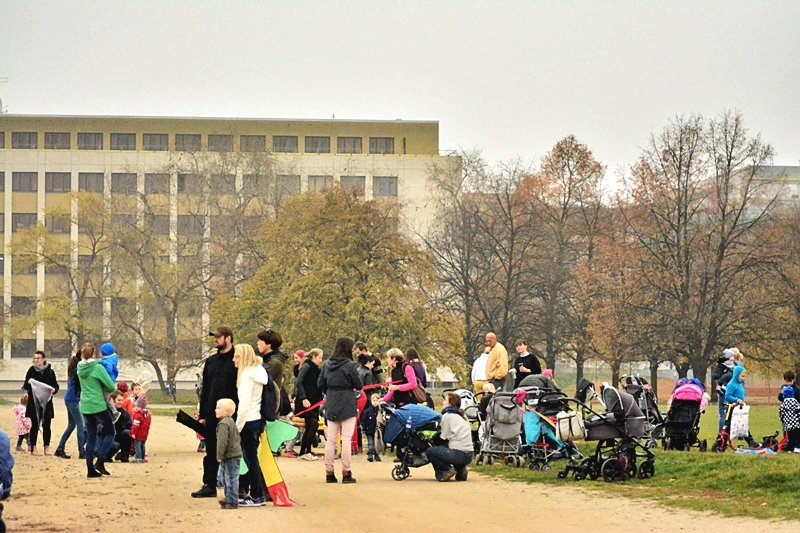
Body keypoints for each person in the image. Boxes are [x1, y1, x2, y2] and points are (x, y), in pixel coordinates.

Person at [193, 326, 238, 498]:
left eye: (218, 337)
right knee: (211, 450)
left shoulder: (236, 359)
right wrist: (203, 414)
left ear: (228, 338)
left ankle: (237, 487)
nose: (215, 340)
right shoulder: (211, 362)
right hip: (212, 413)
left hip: (232, 414)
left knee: (233, 450)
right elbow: (205, 390)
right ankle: (209, 484)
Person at [318, 337, 363, 484]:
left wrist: (330, 392)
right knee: (346, 439)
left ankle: (329, 472)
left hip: (331, 400)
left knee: (330, 440)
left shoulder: (326, 364)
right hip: (347, 401)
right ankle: (346, 471)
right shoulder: (349, 365)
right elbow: (358, 384)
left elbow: (320, 384)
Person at [233, 343, 270, 507]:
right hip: (257, 419)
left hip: (247, 420)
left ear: (244, 357)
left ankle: (256, 494)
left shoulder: (247, 375)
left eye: (236, 356)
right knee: (252, 458)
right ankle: (258, 493)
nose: (234, 359)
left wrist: (237, 427)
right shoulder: (259, 372)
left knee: (251, 460)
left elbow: (244, 405)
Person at [77, 343, 116, 478]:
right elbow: (110, 387)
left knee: (91, 437)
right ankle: (100, 460)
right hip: (98, 404)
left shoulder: (79, 367)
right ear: (94, 354)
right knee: (111, 432)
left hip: (85, 405)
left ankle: (90, 469)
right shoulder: (97, 367)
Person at [425, 392, 473, 481]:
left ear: (450, 403)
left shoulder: (447, 416)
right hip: (469, 455)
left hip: (458, 454)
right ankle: (461, 470)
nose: (443, 402)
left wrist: (432, 441)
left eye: (445, 400)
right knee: (450, 446)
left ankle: (445, 471)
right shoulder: (462, 415)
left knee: (431, 451)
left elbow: (443, 437)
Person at [22, 350, 59, 456]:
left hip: (46, 402)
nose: (36, 360)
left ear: (43, 359)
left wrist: (54, 390)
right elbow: (25, 385)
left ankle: (46, 447)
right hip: (34, 402)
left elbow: (55, 385)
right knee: (34, 425)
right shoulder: (31, 370)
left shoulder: (50, 371)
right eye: (35, 358)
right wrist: (29, 383)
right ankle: (33, 448)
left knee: (47, 425)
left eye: (38, 358)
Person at [54, 351, 86, 459]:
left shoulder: (74, 369)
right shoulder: (78, 370)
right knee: (80, 425)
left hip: (69, 398)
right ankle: (82, 452)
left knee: (72, 425)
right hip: (72, 400)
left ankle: (59, 449)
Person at [295, 348, 324, 461]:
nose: (321, 360)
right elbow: (299, 381)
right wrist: (303, 398)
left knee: (311, 425)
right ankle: (304, 451)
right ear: (313, 357)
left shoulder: (316, 369)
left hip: (314, 400)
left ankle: (307, 450)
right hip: (306, 401)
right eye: (319, 358)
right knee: (313, 424)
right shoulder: (306, 366)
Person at [215, 398, 242, 510]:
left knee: (230, 479)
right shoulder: (231, 422)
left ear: (226, 411)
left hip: (230, 456)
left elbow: (222, 441)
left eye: (218, 408)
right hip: (234, 454)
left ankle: (232, 501)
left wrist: (219, 455)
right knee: (228, 479)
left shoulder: (223, 424)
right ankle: (228, 499)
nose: (215, 410)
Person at [723, 365, 756, 447]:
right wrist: (736, 400)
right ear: (736, 375)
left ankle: (750, 441)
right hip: (732, 408)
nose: (743, 378)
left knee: (743, 425)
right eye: (742, 376)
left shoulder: (740, 385)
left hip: (739, 409)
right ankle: (722, 441)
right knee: (728, 426)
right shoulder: (731, 385)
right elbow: (727, 396)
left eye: (744, 376)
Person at [106, 391, 132, 463]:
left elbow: (130, 426)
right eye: (118, 400)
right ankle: (104, 456)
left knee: (127, 433)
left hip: (119, 437)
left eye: (122, 400)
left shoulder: (124, 413)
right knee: (115, 445)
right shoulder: (106, 412)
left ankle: (124, 456)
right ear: (113, 401)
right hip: (107, 438)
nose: (121, 402)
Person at [98, 343, 120, 421]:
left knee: (106, 397)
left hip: (107, 382)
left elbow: (109, 369)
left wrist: (100, 363)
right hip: (110, 380)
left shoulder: (107, 361)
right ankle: (113, 412)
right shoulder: (112, 359)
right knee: (107, 397)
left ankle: (114, 412)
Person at [779, 386, 800, 453]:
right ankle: (797, 447)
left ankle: (790, 448)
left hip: (788, 424)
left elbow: (781, 414)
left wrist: (783, 420)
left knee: (791, 437)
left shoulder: (783, 404)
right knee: (797, 436)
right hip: (796, 424)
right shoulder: (796, 402)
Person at [130, 395, 151, 463]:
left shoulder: (138, 415)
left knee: (137, 445)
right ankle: (142, 457)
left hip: (138, 433)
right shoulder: (148, 415)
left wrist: (133, 433)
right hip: (145, 433)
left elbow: (135, 425)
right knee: (143, 445)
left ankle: (138, 458)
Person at [361, 393, 381, 462]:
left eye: (376, 400)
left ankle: (376, 455)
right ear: (371, 401)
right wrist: (363, 428)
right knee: (371, 442)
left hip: (377, 430)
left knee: (376, 444)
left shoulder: (380, 411)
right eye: (373, 400)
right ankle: (370, 454)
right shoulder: (367, 411)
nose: (375, 402)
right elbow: (363, 421)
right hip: (369, 430)